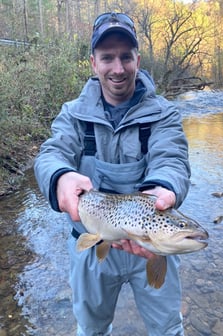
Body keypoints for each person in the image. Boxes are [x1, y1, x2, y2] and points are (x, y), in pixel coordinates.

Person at [34, 12, 191, 336]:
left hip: (152, 246)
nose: (118, 68)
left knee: (167, 329)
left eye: (125, 57)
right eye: (108, 58)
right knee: (91, 330)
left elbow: (171, 157)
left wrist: (162, 188)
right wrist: (61, 176)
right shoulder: (72, 114)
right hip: (91, 243)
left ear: (137, 59)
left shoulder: (164, 113)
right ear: (93, 63)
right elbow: (51, 154)